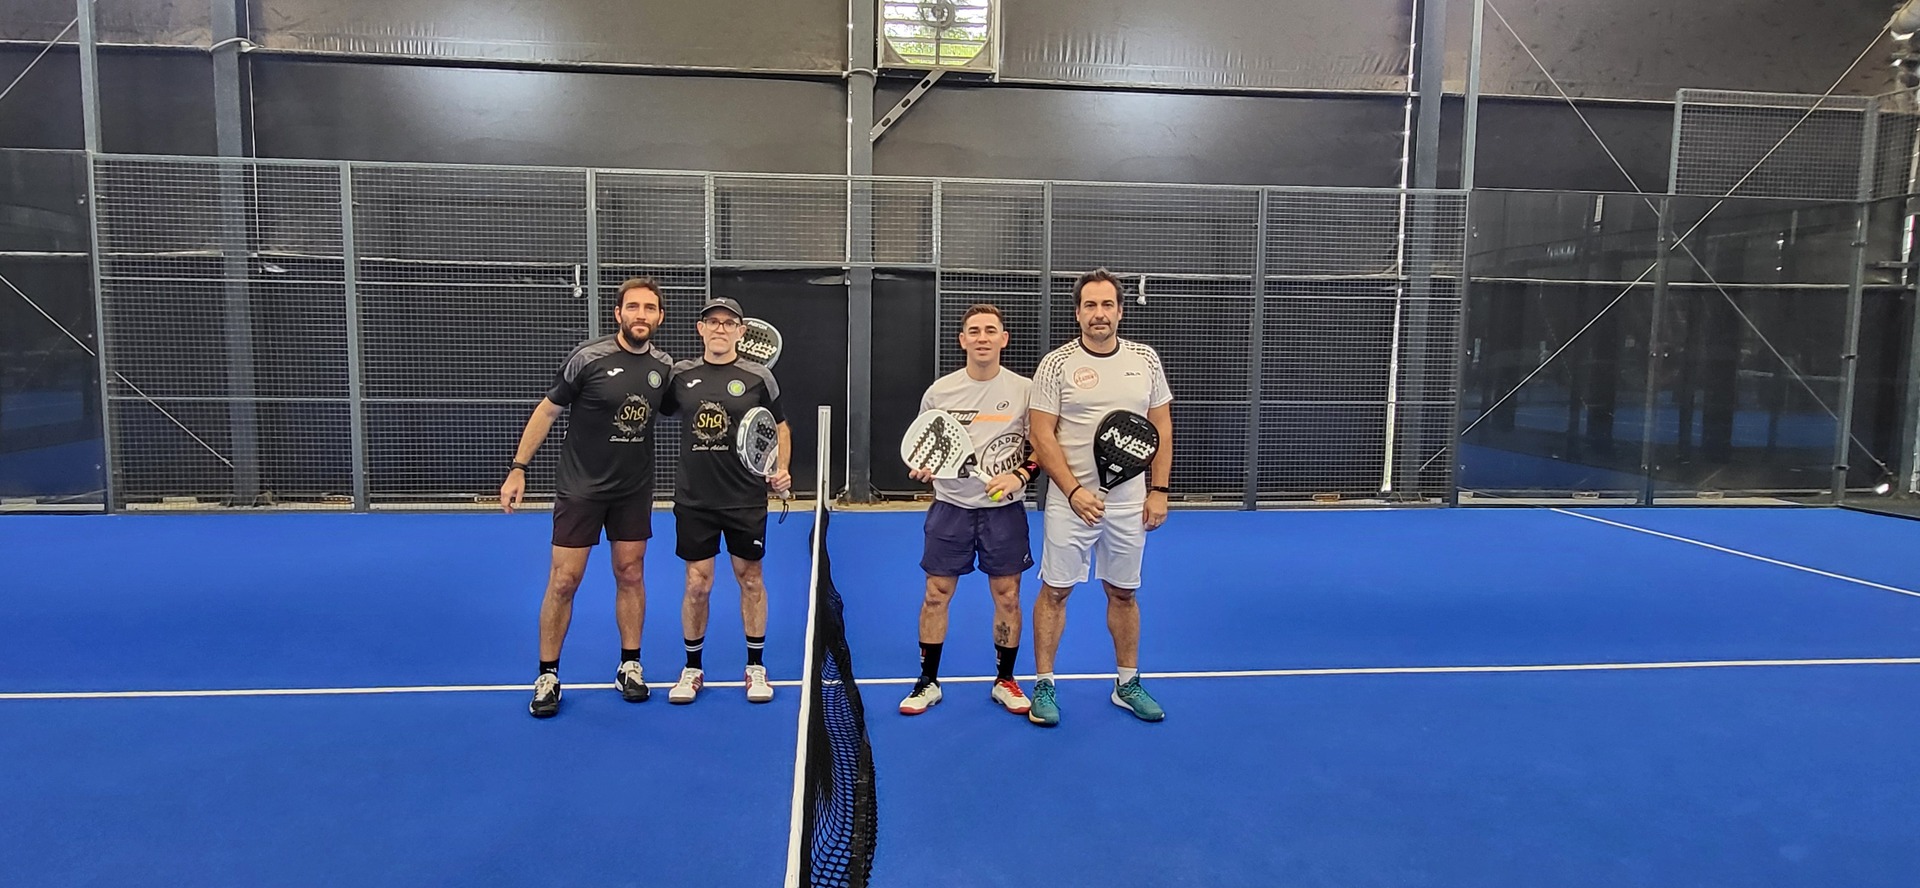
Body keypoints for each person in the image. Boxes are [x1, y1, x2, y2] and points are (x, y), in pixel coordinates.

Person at [503, 278, 675, 719]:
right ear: (618, 314)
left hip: (633, 490)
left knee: (631, 573)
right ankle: (548, 675)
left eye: (649, 308)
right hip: (581, 488)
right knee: (564, 580)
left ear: (660, 316)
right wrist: (519, 467)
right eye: (633, 307)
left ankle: (630, 665)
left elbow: (689, 404)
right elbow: (548, 410)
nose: (641, 315)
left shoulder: (663, 366)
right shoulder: (587, 357)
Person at [1025, 269, 1175, 726]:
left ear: (1120, 311)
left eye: (1107, 304)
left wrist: (1159, 491)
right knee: (1056, 591)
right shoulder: (1056, 364)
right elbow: (1041, 433)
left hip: (1129, 505)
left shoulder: (1145, 360)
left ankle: (1127, 683)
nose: (1099, 314)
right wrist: (1072, 491)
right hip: (1070, 504)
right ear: (1077, 313)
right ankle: (1044, 685)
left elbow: (1160, 427)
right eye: (1090, 305)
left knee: (1124, 593)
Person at [899, 304, 1035, 717]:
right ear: (962, 340)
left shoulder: (1025, 391)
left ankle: (1005, 680)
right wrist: (924, 467)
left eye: (990, 330)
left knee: (1008, 596)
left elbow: (1043, 448)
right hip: (951, 508)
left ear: (1003, 339)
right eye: (974, 331)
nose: (982, 337)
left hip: (1004, 511)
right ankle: (927, 682)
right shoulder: (940, 392)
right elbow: (926, 443)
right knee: (935, 594)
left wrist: (1020, 476)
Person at [661, 296, 791, 705]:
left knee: (750, 578)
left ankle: (755, 667)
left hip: (744, 498)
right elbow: (654, 409)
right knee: (697, 584)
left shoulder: (758, 377)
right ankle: (692, 668)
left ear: (740, 332)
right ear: (701, 329)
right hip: (694, 500)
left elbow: (780, 427)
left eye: (728, 323)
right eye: (712, 322)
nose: (720, 328)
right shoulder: (680, 376)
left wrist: (780, 468)